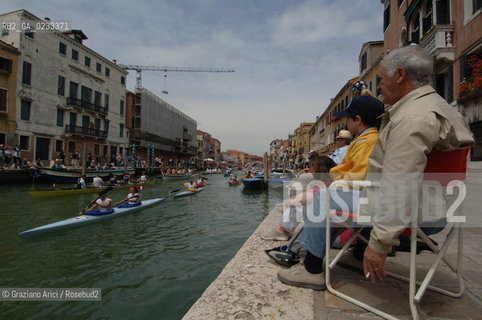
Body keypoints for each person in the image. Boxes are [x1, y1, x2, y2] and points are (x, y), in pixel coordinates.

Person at [358, 46, 475, 283]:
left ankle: (310, 268)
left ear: (399, 75)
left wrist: (378, 244)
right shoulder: (443, 109)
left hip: (414, 215)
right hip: (437, 211)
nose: (379, 87)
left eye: (381, 79)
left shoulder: (412, 118)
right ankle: (352, 251)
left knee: (319, 198)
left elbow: (399, 183)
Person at [276, 95, 385, 290]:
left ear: (357, 120)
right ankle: (357, 253)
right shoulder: (367, 140)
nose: (346, 122)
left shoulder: (367, 142)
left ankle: (311, 268)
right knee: (322, 194)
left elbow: (359, 177)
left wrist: (333, 186)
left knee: (321, 198)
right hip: (373, 196)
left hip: (369, 198)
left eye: (348, 118)